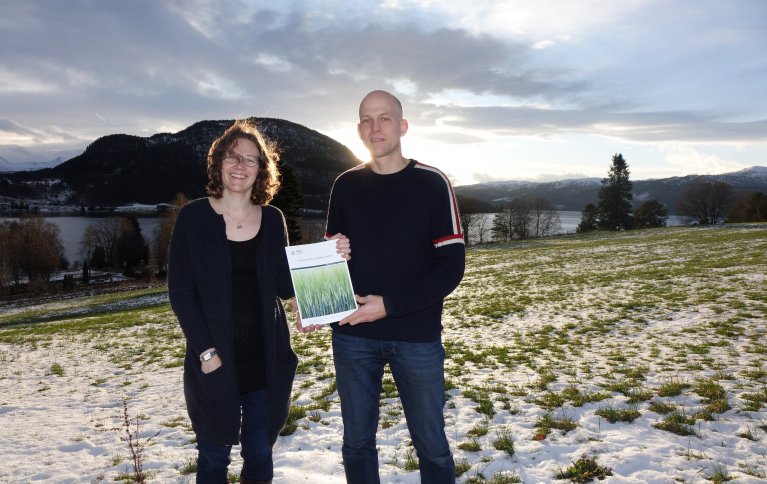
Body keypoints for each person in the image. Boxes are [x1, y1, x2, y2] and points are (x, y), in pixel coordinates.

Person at [168, 119, 348, 483]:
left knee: (260, 454)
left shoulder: (272, 219)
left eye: (251, 160)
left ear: (261, 170)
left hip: (265, 359)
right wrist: (204, 351)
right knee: (214, 455)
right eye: (233, 157)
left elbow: (282, 282)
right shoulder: (193, 218)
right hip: (214, 359)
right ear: (218, 162)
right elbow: (181, 292)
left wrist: (329, 259)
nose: (240, 166)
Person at [324, 90, 465, 483]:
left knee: (432, 444)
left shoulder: (433, 183)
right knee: (356, 443)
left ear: (402, 126)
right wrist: (330, 256)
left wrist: (390, 305)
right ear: (358, 130)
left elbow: (451, 267)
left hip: (416, 337)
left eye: (384, 118)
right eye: (367, 119)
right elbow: (330, 259)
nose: (375, 127)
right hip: (353, 335)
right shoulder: (345, 185)